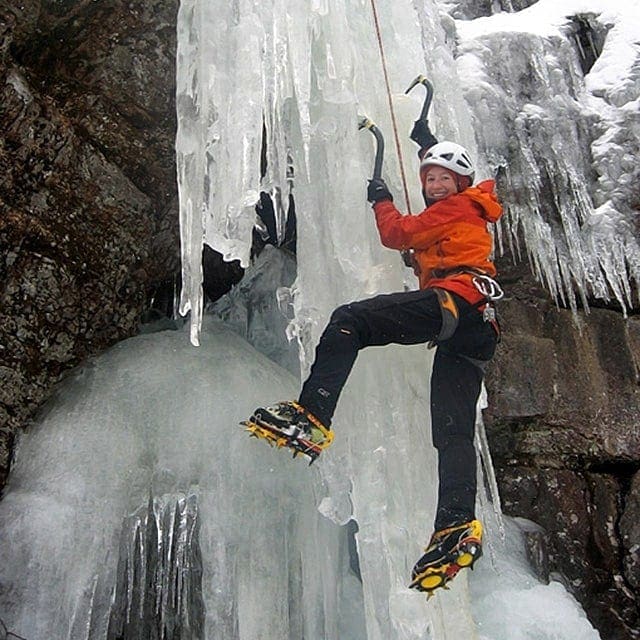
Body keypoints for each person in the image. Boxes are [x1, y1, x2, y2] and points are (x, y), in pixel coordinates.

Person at [244, 118, 503, 595]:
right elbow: (434, 211)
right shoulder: (468, 208)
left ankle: (312, 415)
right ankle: (456, 525)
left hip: (456, 302)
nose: (434, 184)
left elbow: (397, 233)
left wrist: (380, 198)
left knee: (350, 322)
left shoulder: (459, 206)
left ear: (462, 184)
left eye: (444, 178)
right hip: (475, 330)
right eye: (429, 178)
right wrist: (427, 143)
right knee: (452, 431)